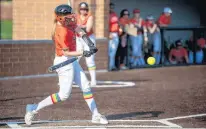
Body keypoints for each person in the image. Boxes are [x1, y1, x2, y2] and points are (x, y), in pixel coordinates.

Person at [24, 4, 108, 125]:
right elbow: (67, 52)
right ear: (60, 18)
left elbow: (79, 29)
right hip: (64, 61)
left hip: (71, 60)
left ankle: (95, 115)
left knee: (86, 86)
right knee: (63, 95)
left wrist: (89, 43)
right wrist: (83, 52)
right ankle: (33, 108)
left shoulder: (67, 23)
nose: (71, 18)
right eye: (68, 16)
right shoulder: (60, 31)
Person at [76, 2, 97, 86]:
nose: (83, 11)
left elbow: (88, 29)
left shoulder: (90, 16)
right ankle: (74, 78)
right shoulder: (76, 17)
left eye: (85, 9)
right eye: (81, 9)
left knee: (89, 60)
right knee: (76, 59)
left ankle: (93, 80)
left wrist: (77, 26)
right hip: (79, 39)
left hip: (88, 39)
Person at [108, 2, 119, 71]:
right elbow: (106, 25)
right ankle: (109, 66)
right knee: (110, 52)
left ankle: (112, 66)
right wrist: (108, 33)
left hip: (116, 34)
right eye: (110, 7)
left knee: (113, 52)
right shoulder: (107, 15)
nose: (112, 8)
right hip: (110, 34)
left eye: (112, 7)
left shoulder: (114, 14)